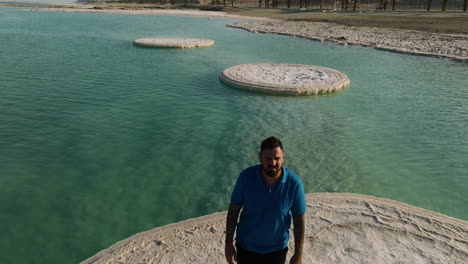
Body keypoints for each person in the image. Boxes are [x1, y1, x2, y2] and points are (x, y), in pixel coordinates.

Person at [225, 136, 306, 264]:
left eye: (277, 158)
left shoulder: (294, 184)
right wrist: (228, 243)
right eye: (268, 159)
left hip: (277, 251)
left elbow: (299, 220)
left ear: (283, 157)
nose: (272, 163)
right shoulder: (246, 177)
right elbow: (234, 210)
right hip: (246, 248)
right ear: (260, 157)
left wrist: (298, 254)